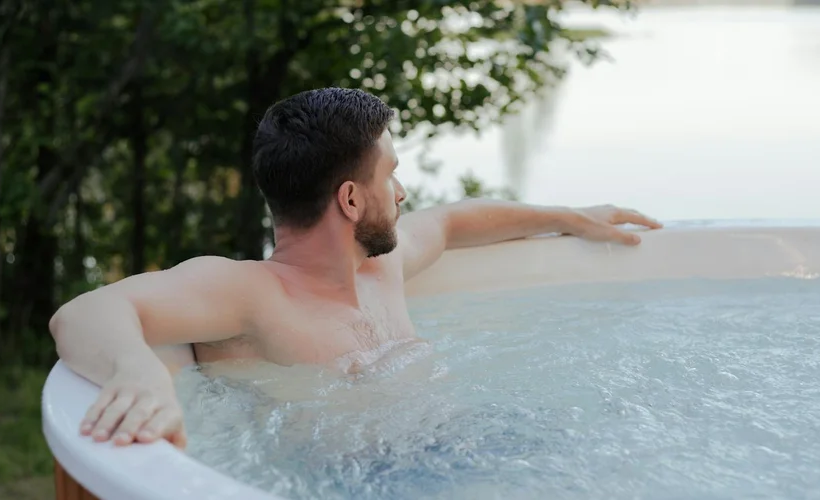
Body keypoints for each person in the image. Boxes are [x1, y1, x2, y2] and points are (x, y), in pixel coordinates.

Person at [48, 87, 662, 450]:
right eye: (389, 174)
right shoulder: (253, 295)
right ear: (349, 199)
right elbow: (84, 312)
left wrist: (571, 216)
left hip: (461, 450)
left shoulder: (381, 270)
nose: (400, 192)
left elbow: (452, 222)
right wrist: (140, 373)